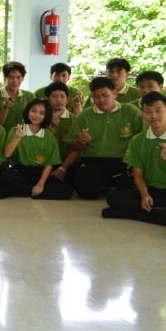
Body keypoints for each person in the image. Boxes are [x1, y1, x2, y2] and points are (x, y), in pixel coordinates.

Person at [56, 76, 144, 199]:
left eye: (105, 95)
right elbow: (74, 146)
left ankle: (109, 185)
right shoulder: (84, 115)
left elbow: (142, 139)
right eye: (96, 96)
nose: (101, 100)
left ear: (115, 94)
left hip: (124, 160)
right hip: (93, 160)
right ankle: (107, 186)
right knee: (85, 192)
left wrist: (135, 161)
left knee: (129, 190)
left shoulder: (131, 111)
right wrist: (81, 141)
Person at [101, 92, 166, 226]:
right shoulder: (137, 140)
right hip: (152, 190)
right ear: (143, 114)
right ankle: (154, 213)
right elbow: (138, 175)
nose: (154, 116)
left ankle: (129, 213)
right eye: (148, 111)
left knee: (116, 207)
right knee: (113, 197)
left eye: (158, 110)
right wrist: (144, 196)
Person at [0, 99, 72, 199]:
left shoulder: (49, 136)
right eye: (33, 111)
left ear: (46, 116)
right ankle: (31, 191)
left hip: (40, 173)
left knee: (67, 191)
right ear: (27, 111)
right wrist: (17, 137)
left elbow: (49, 164)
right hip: (19, 171)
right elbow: (7, 154)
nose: (36, 115)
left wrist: (40, 184)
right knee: (3, 176)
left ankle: (26, 191)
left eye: (41, 113)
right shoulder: (16, 130)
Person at [0, 61, 34, 132]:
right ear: (5, 78)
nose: (15, 81)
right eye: (11, 77)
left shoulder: (30, 96)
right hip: (2, 136)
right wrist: (5, 108)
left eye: (18, 77)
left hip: (24, 136)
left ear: (23, 78)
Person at [46, 82, 76, 166]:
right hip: (43, 161)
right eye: (54, 96)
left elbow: (75, 148)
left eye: (62, 96)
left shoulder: (75, 120)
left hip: (67, 163)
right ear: (47, 99)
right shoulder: (40, 117)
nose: (59, 100)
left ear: (68, 99)